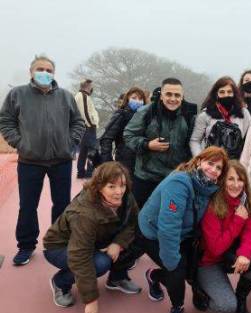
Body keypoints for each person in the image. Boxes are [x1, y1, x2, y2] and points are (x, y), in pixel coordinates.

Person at [0, 55, 85, 266]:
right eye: (40, 69)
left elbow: (78, 122)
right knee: (28, 205)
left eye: (49, 70)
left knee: (62, 205)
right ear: (31, 71)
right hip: (30, 160)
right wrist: (20, 143)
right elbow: (6, 121)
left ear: (53, 73)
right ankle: (26, 246)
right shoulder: (17, 94)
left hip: (61, 160)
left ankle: (59, 242)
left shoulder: (66, 96)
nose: (44, 73)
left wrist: (70, 142)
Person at [139, 146, 229, 313]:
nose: (213, 170)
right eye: (209, 163)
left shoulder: (209, 188)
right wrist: (173, 265)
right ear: (198, 162)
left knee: (189, 269)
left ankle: (154, 276)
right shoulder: (179, 183)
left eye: (218, 168)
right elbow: (168, 228)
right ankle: (177, 307)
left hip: (183, 235)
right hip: (154, 233)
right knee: (177, 271)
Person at [43, 162, 142, 313]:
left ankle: (117, 277)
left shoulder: (126, 197)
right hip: (60, 246)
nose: (119, 192)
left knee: (142, 238)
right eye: (112, 186)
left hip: (95, 240)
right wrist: (91, 300)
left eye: (122, 185)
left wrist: (118, 243)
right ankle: (60, 282)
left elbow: (132, 224)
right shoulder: (85, 213)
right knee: (100, 263)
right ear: (99, 187)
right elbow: (79, 257)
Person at [197, 160, 251, 313]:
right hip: (210, 261)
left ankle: (241, 299)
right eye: (230, 179)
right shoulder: (213, 205)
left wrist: (244, 255)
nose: (236, 185)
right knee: (226, 307)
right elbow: (216, 248)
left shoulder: (245, 202)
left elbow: (250, 234)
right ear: (222, 180)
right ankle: (201, 290)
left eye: (240, 179)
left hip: (230, 257)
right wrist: (238, 221)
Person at [123, 78, 197, 208]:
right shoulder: (146, 112)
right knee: (139, 217)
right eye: (168, 94)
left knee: (168, 218)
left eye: (177, 95)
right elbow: (128, 135)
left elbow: (193, 144)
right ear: (161, 95)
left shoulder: (189, 115)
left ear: (182, 97)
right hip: (146, 177)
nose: (173, 99)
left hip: (175, 177)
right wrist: (147, 144)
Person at [190, 76, 251, 159]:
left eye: (229, 92)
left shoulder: (244, 113)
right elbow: (195, 140)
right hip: (211, 163)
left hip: (235, 163)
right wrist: (200, 159)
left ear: (234, 93)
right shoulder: (205, 115)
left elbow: (250, 140)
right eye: (222, 92)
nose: (226, 95)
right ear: (216, 94)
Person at [100, 86, 147, 174]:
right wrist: (108, 163)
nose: (137, 101)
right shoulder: (121, 115)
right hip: (125, 161)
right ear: (127, 99)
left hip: (142, 163)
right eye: (134, 98)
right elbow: (107, 138)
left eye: (140, 99)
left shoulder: (146, 117)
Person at [75, 79, 100, 179]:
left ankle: (81, 172)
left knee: (83, 151)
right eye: (91, 86)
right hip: (88, 127)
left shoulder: (81, 96)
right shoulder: (83, 96)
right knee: (91, 151)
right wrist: (91, 124)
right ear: (88, 86)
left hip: (84, 127)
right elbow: (85, 112)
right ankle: (89, 172)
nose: (92, 88)